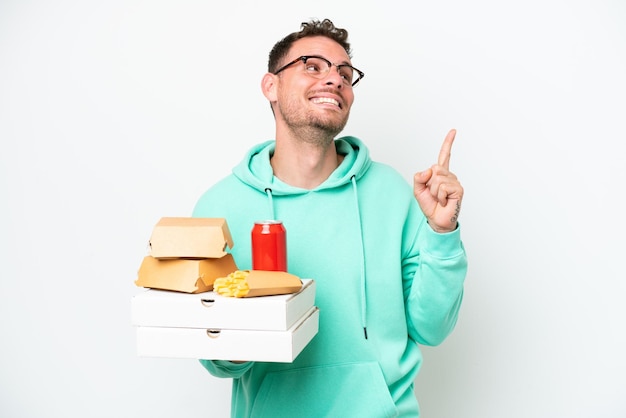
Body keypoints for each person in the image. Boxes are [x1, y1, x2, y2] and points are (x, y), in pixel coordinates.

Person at [192, 18, 467, 418]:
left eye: (344, 73)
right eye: (312, 65)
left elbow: (432, 328)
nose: (335, 80)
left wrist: (442, 232)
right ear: (271, 86)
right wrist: (232, 337)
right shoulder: (221, 207)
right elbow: (216, 359)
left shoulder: (393, 194)